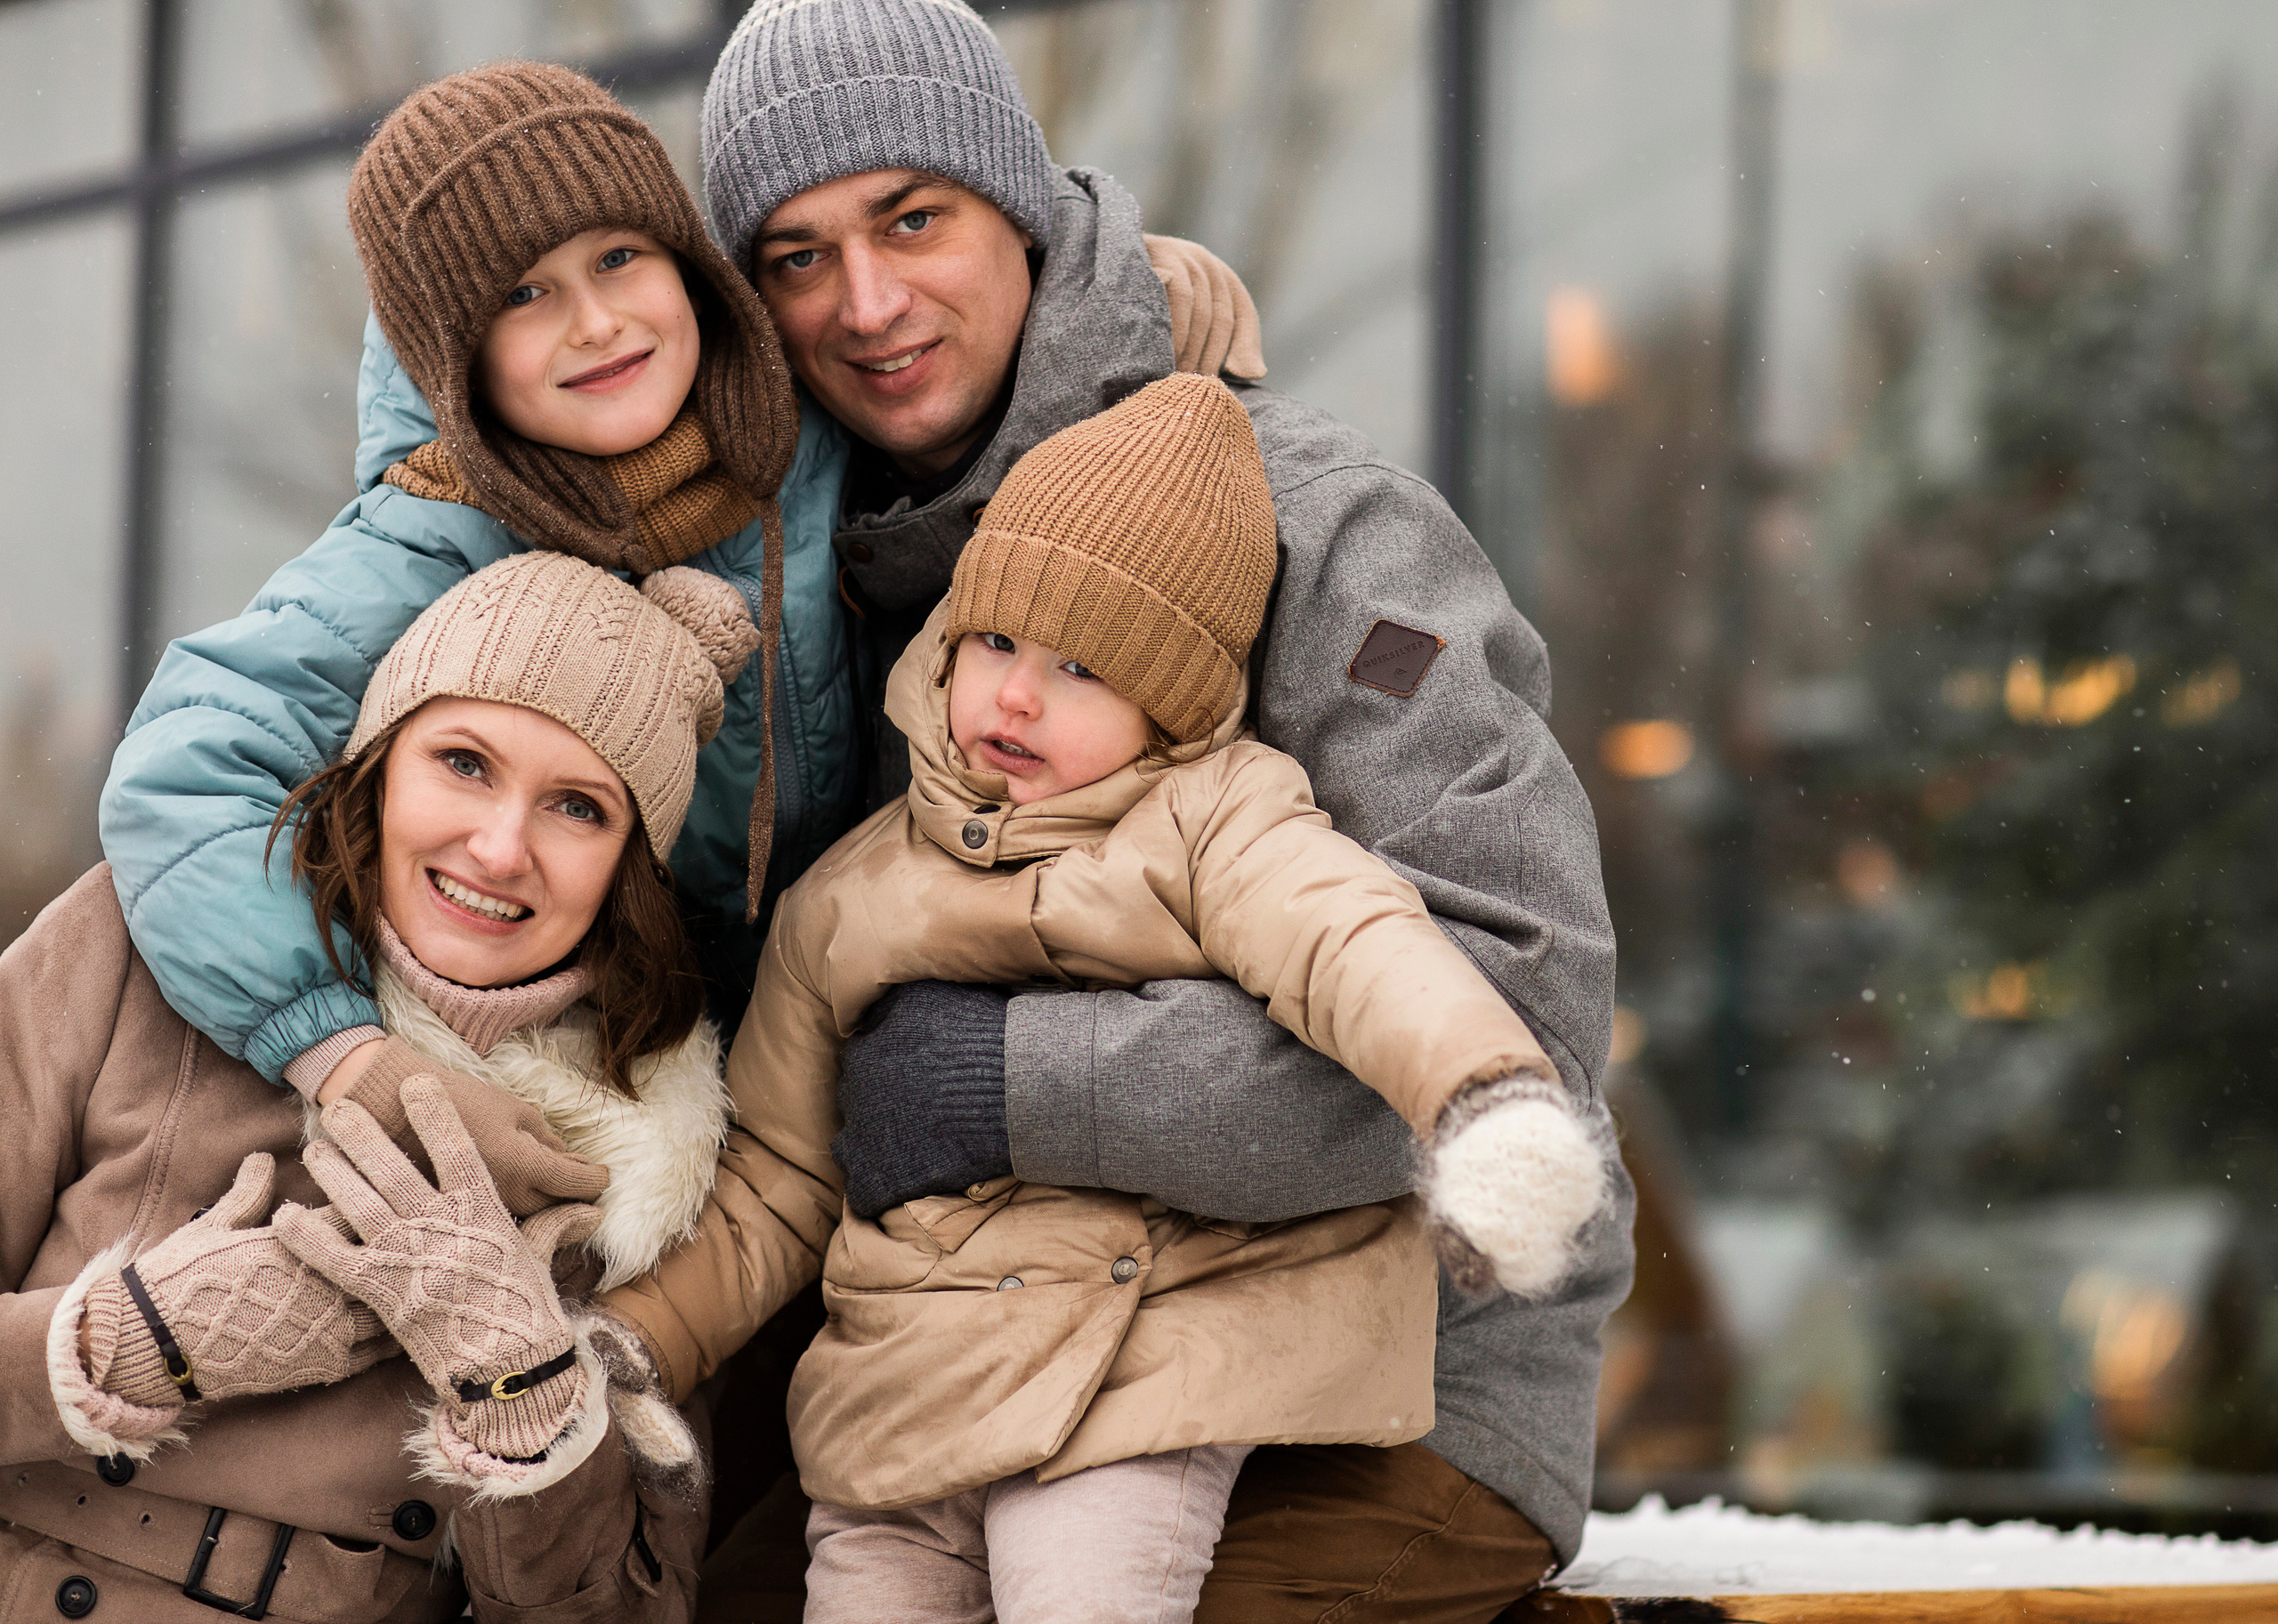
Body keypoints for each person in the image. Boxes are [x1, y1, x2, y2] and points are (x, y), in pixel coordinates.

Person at [675, 3, 1636, 1616]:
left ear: (1022, 213)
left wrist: (1012, 1085)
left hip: (1390, 1387)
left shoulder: (1325, 530)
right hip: (969, 1363)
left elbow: (1522, 1006)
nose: (867, 301)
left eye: (913, 219)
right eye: (797, 256)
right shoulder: (817, 571)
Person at [97, 60, 1254, 1178]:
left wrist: (1120, 306)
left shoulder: (790, 420)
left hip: (867, 997)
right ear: (457, 355)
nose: (598, 323)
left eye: (618, 259)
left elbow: (940, 339)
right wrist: (343, 1050)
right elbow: (181, 776)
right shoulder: (435, 535)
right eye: (524, 295)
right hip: (654, 1061)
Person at [1, 548, 763, 1620]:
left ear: (631, 863)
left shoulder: (652, 1158)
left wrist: (528, 1402)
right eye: (464, 763)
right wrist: (120, 1340)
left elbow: (634, 1608)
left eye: (578, 807)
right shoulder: (140, 950)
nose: (499, 847)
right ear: (379, 764)